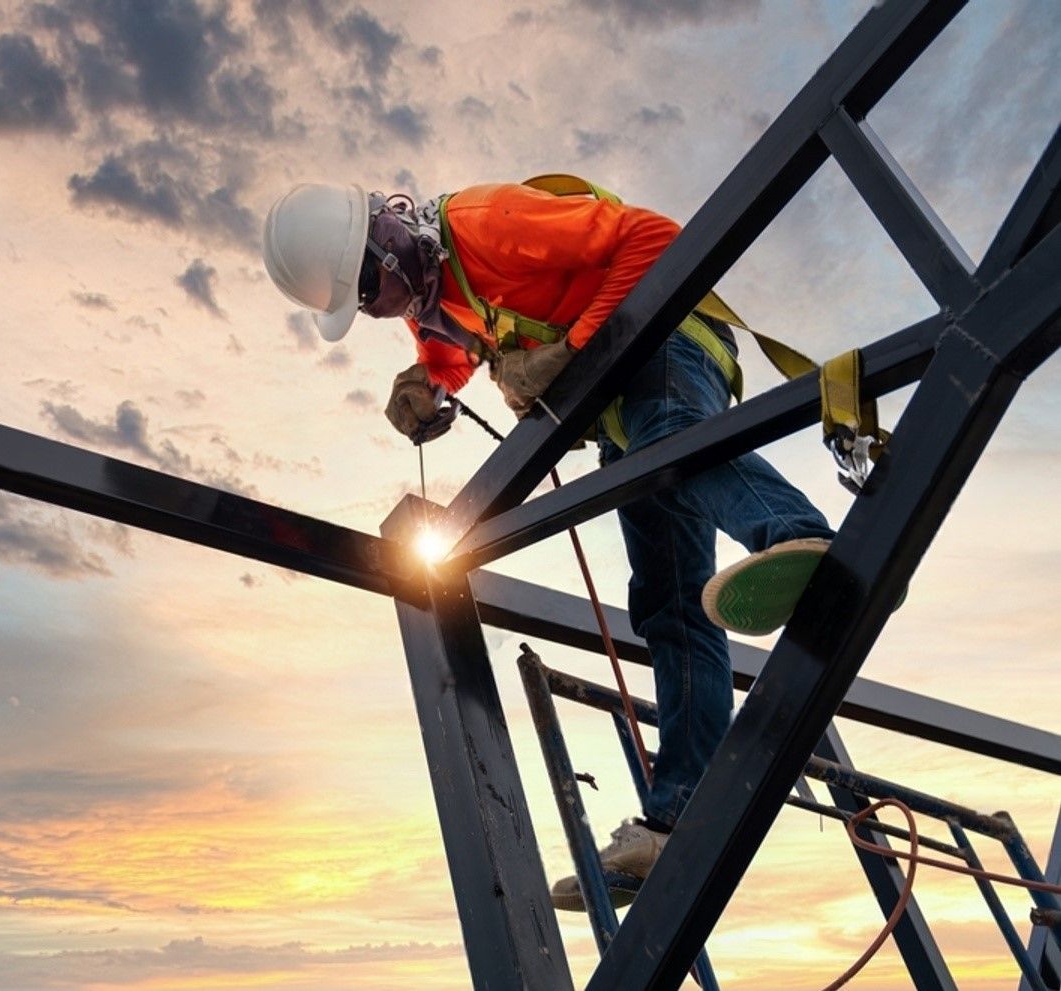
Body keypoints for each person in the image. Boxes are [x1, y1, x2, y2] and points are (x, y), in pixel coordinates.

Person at [261, 180, 837, 910]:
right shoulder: (435, 297)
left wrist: (573, 347)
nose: (378, 307)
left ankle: (798, 534)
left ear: (390, 241)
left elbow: (656, 237)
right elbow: (462, 348)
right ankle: (676, 818)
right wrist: (429, 384)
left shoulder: (483, 223)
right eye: (364, 303)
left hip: (668, 346)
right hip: (621, 407)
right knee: (667, 603)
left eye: (369, 287)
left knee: (669, 442)